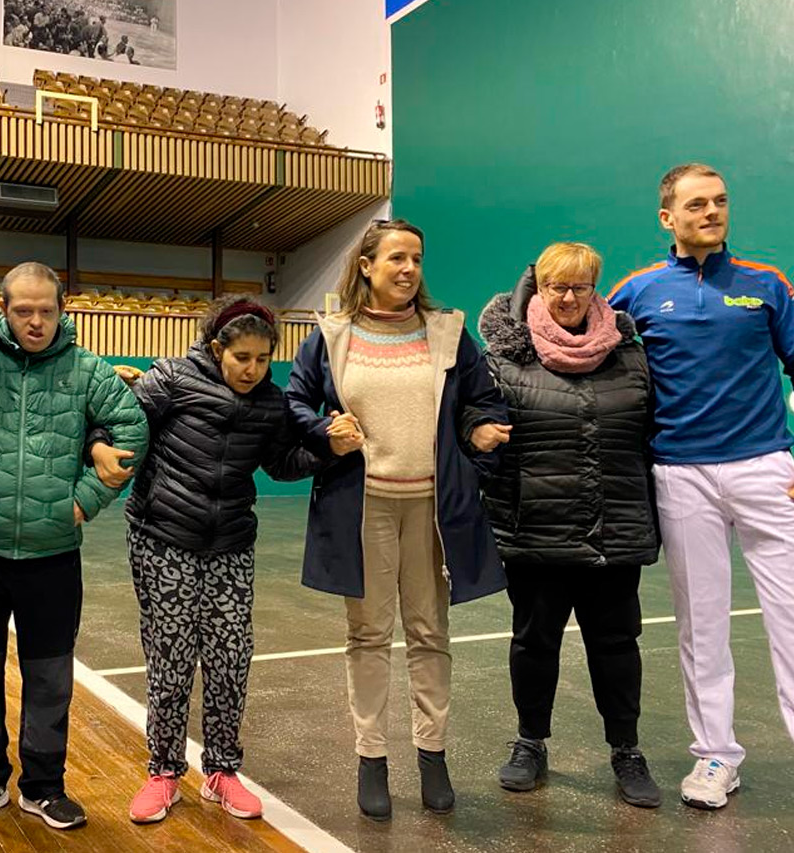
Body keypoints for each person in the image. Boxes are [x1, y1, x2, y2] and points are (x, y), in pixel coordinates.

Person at [286, 218, 510, 821]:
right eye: (396, 259)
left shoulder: (448, 333)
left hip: (433, 509)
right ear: (366, 266)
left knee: (430, 634)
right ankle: (371, 759)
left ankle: (432, 755)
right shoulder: (333, 335)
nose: (409, 269)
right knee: (367, 634)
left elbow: (480, 402)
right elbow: (296, 400)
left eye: (416, 258)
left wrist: (480, 428)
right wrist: (324, 430)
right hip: (364, 508)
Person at [608, 163, 794, 810]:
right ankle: (716, 755)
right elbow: (584, 355)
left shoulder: (767, 286)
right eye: (697, 204)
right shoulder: (636, 292)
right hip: (681, 474)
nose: (712, 211)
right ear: (668, 217)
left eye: (720, 201)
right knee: (703, 622)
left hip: (767, 468)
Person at [0, 262, 148, 833]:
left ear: (63, 311)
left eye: (47, 310)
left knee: (50, 678)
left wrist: (82, 501)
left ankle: (43, 785)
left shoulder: (89, 371)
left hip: (53, 553)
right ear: (4, 309)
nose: (36, 322)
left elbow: (131, 429)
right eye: (23, 310)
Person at [119, 297, 331, 824]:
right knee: (170, 659)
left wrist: (329, 447)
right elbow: (121, 426)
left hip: (232, 543)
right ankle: (164, 771)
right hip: (162, 535)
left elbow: (281, 463)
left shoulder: (270, 404)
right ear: (218, 348)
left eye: (262, 359)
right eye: (242, 358)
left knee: (230, 658)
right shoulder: (170, 379)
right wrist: (117, 392)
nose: (252, 369)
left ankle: (221, 771)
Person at [478, 242, 662, 807]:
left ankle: (627, 750)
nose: (567, 297)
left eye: (580, 286)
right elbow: (476, 428)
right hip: (535, 530)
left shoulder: (630, 354)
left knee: (617, 644)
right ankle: (530, 743)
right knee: (535, 643)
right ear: (539, 288)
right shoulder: (506, 356)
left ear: (595, 290)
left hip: (615, 527)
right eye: (557, 285)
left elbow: (654, 429)